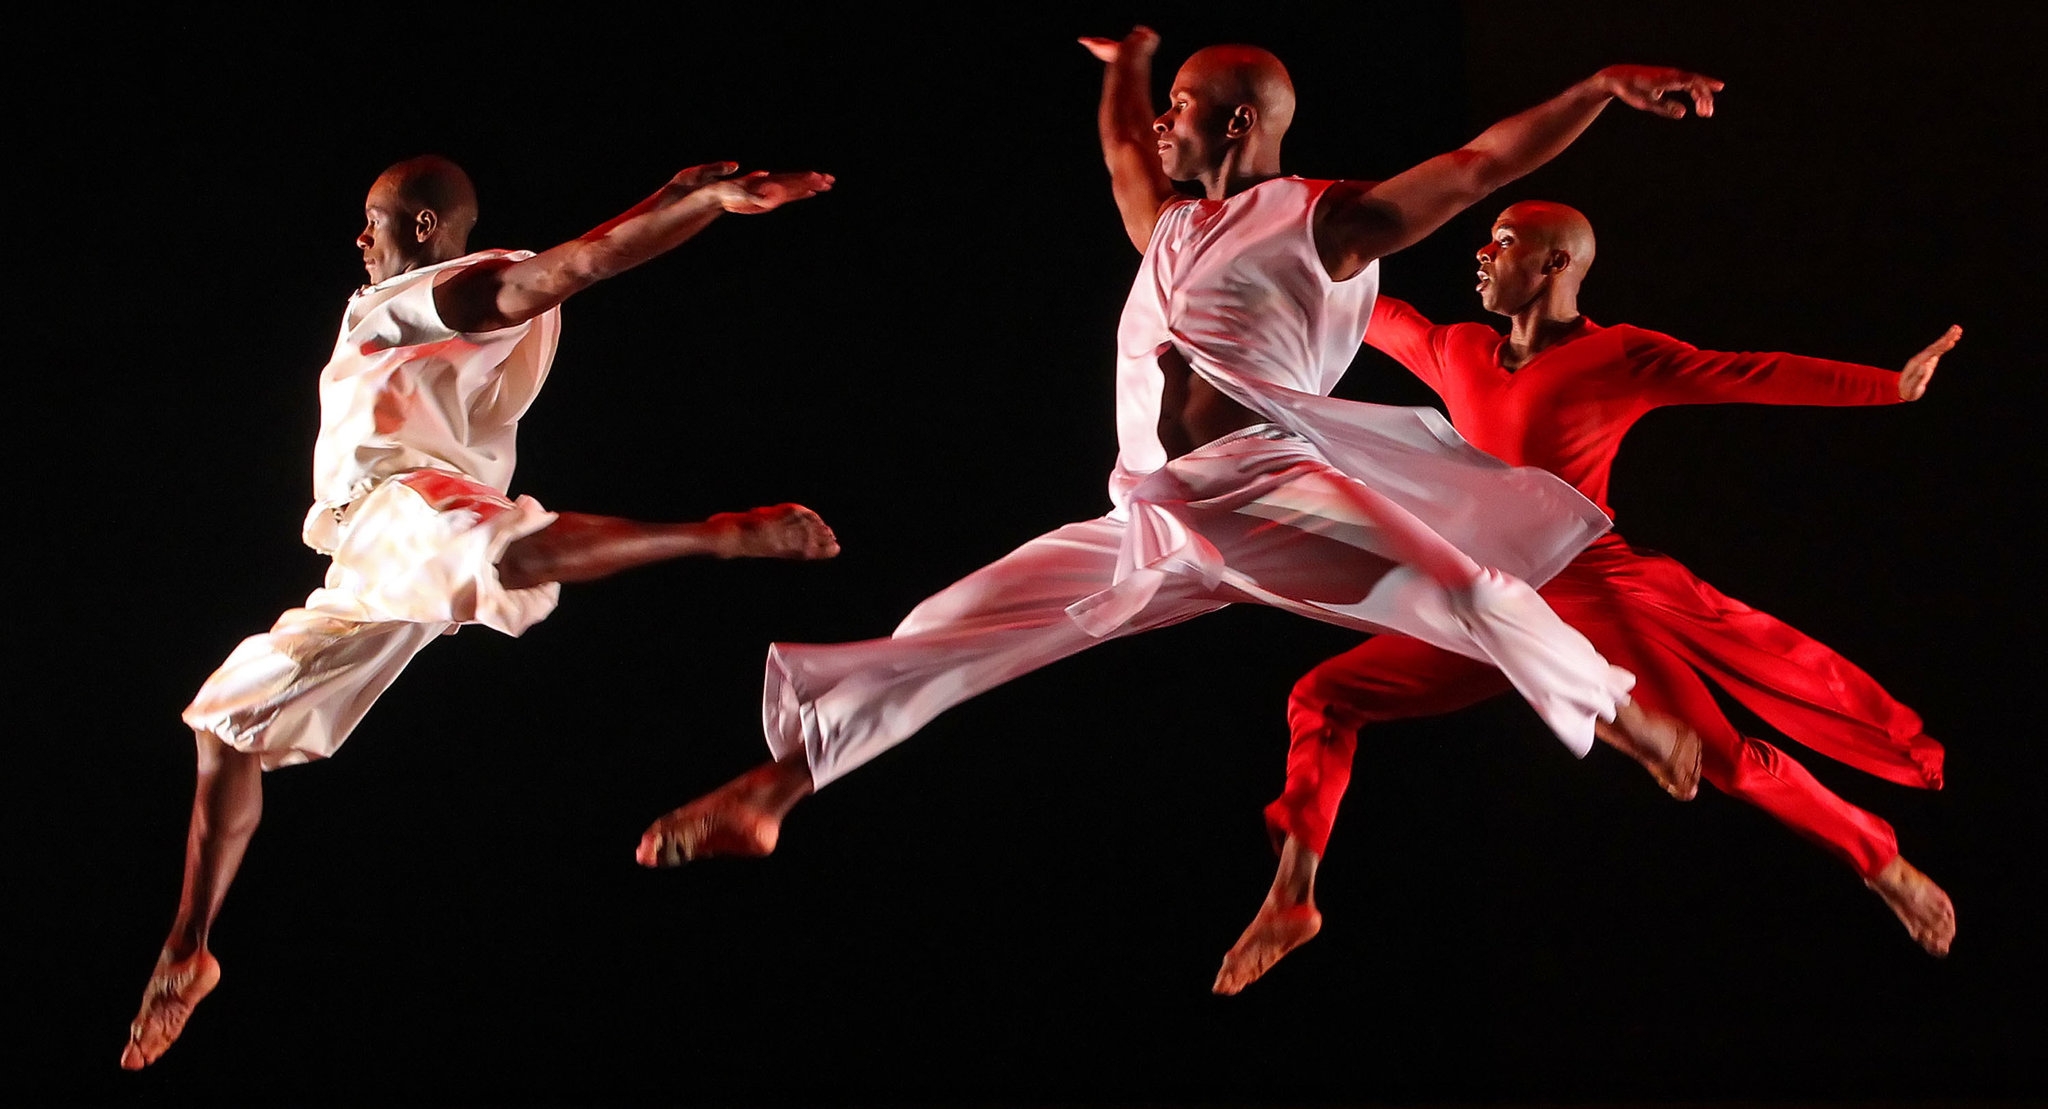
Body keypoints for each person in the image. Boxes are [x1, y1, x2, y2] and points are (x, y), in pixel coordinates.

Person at [635, 31, 1723, 871]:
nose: (1161, 124)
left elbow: (1477, 163)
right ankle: (770, 794)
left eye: (1182, 108)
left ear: (1240, 119)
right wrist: (1132, 59)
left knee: (1463, 595)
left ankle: (1618, 711)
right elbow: (1118, 146)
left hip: (1260, 488)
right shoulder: (1167, 227)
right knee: (947, 626)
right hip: (1146, 511)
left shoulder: (1318, 220)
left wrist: (1591, 92)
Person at [121, 155, 839, 1070]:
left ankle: (719, 536)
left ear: (422, 228)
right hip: (363, 564)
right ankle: (190, 947)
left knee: (505, 551)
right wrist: (676, 200)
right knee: (227, 723)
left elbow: (572, 268)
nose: (360, 238)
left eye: (372, 220)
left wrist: (698, 208)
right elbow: (588, 255)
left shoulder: (429, 297)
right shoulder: (407, 310)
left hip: (402, 507)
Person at [1212, 200, 1959, 996]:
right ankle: (1293, 897)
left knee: (1721, 762)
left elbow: (1749, 370)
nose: (1481, 254)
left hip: (1585, 588)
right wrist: (1255, 249)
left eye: (1502, 242)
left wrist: (1888, 387)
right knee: (1323, 696)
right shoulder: (1457, 347)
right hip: (1484, 604)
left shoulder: (1617, 355)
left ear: (1555, 264)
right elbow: (1364, 303)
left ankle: (1882, 862)